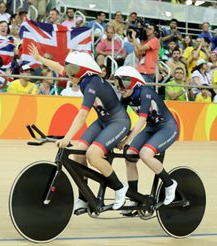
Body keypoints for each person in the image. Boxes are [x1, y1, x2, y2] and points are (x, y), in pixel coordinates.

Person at [29, 43, 130, 211]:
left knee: (93, 155)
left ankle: (120, 187)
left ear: (82, 71)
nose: (68, 75)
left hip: (119, 122)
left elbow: (82, 115)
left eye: (72, 72)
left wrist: (67, 137)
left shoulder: (92, 84)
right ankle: (84, 197)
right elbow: (60, 68)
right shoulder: (80, 76)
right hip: (103, 121)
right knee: (78, 154)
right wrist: (40, 59)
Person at [113, 66, 178, 214]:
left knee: (145, 154)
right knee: (129, 156)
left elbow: (141, 121)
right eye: (118, 85)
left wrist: (126, 140)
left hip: (167, 128)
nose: (120, 89)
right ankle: (134, 198)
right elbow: (118, 118)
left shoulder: (145, 93)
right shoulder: (126, 95)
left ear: (134, 83)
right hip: (151, 128)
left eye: (123, 84)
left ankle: (169, 184)